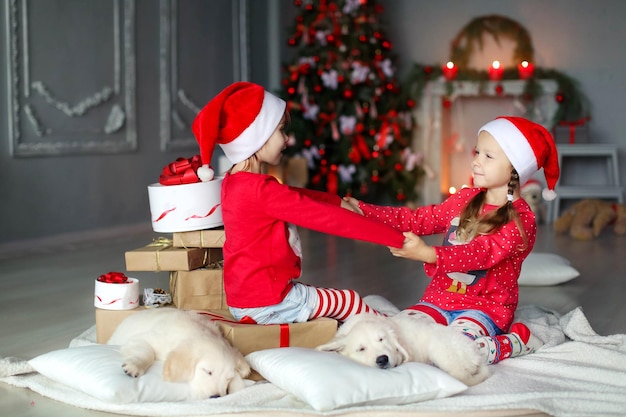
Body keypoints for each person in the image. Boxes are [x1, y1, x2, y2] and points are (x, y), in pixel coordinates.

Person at [344, 116, 559, 364]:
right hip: (438, 299)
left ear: (515, 168)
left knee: (455, 353)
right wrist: (364, 210)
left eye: (488, 156)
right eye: (478, 152)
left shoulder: (522, 220)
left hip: (484, 309)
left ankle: (515, 342)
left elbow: (481, 253)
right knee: (398, 340)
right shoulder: (465, 198)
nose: (476, 161)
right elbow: (418, 219)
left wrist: (428, 254)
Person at [191, 81, 405, 325]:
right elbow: (324, 218)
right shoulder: (262, 190)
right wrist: (396, 238)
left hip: (245, 300)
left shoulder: (234, 183)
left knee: (323, 300)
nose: (287, 139)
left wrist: (337, 201)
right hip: (269, 302)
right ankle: (396, 330)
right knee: (349, 301)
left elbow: (298, 196)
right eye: (281, 130)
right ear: (257, 139)